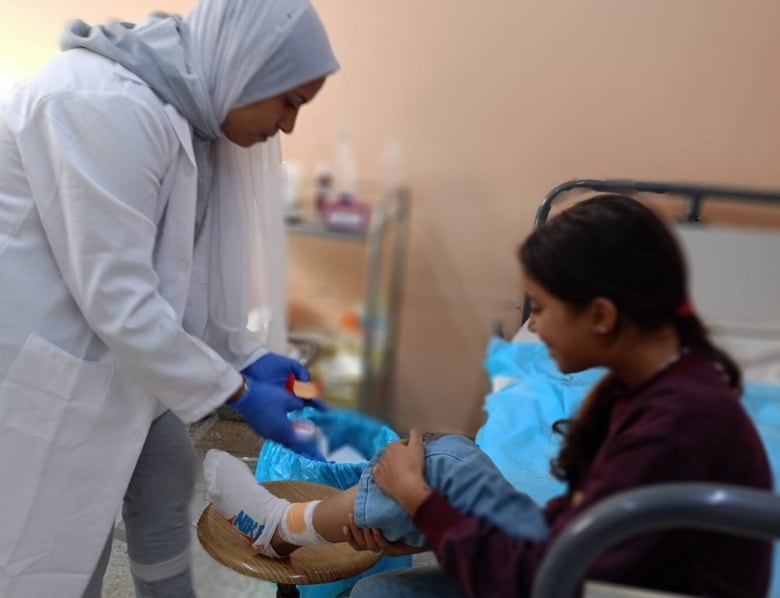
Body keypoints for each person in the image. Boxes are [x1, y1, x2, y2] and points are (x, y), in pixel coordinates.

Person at [203, 195, 773, 598]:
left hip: (587, 584)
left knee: (384, 588)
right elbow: (572, 524)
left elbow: (552, 572)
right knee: (445, 456)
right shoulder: (655, 387)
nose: (537, 329)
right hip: (581, 562)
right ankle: (282, 527)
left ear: (601, 316)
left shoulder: (676, 427)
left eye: (544, 309)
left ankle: (282, 527)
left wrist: (423, 505)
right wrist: (427, 525)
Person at [0, 0, 338, 596]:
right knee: (63, 548)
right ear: (245, 67)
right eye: (290, 101)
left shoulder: (193, 119)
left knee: (164, 483)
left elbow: (182, 273)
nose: (289, 126)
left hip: (118, 358)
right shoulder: (103, 106)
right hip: (44, 370)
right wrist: (234, 390)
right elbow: (120, 298)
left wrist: (242, 354)